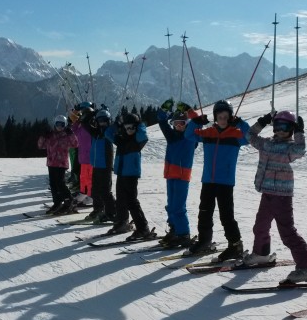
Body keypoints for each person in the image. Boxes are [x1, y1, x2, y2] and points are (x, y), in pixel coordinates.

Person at [243, 110, 307, 281]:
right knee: (260, 226)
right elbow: (249, 135)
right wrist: (262, 121)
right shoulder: (266, 143)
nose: (280, 130)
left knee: (287, 232)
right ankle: (261, 253)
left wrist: (300, 132)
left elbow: (301, 150)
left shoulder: (290, 148)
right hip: (267, 193)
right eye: (277, 126)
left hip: (282, 196)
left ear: (291, 129)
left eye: (285, 127)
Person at [183, 100, 250, 262]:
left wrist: (240, 122)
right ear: (215, 117)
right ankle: (204, 241)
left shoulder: (236, 135)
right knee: (204, 211)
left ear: (231, 117)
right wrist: (195, 121)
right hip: (208, 180)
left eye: (226, 116)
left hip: (225, 182)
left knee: (226, 215)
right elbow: (188, 134)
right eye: (219, 116)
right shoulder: (208, 133)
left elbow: (250, 136)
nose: (222, 119)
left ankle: (235, 245)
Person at [104, 112, 156, 239]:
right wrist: (116, 124)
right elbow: (107, 134)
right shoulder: (121, 140)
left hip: (131, 174)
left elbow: (144, 136)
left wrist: (140, 124)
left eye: (132, 127)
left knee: (132, 202)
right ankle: (122, 222)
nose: (129, 130)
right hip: (121, 173)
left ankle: (143, 228)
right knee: (121, 199)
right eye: (127, 128)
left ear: (136, 127)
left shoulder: (137, 141)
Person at [156, 99, 198, 248]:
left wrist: (187, 109)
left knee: (178, 206)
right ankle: (175, 230)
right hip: (170, 175)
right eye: (175, 124)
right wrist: (164, 109)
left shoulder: (190, 138)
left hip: (182, 176)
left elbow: (197, 120)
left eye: (182, 123)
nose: (178, 126)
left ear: (186, 124)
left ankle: (184, 234)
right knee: (171, 205)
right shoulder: (171, 136)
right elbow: (161, 121)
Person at [81, 107, 117, 224]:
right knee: (95, 190)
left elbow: (116, 127)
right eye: (100, 121)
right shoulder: (95, 133)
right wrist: (93, 113)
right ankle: (98, 210)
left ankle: (112, 213)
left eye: (104, 121)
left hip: (105, 166)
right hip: (95, 165)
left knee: (105, 191)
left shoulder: (109, 132)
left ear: (108, 121)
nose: (102, 123)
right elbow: (84, 123)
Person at [37, 115, 78, 214]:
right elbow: (40, 146)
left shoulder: (67, 135)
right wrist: (43, 136)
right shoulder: (50, 135)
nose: (60, 127)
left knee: (60, 183)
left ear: (65, 125)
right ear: (54, 124)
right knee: (53, 184)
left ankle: (69, 200)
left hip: (61, 163)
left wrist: (71, 134)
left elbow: (76, 144)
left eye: (62, 125)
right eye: (58, 124)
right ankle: (57, 202)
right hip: (51, 163)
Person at [70, 102, 94, 210]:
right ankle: (84, 194)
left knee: (89, 178)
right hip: (83, 158)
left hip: (91, 158)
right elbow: (73, 124)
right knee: (83, 177)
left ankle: (90, 197)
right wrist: (76, 112)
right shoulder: (80, 127)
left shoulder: (92, 127)